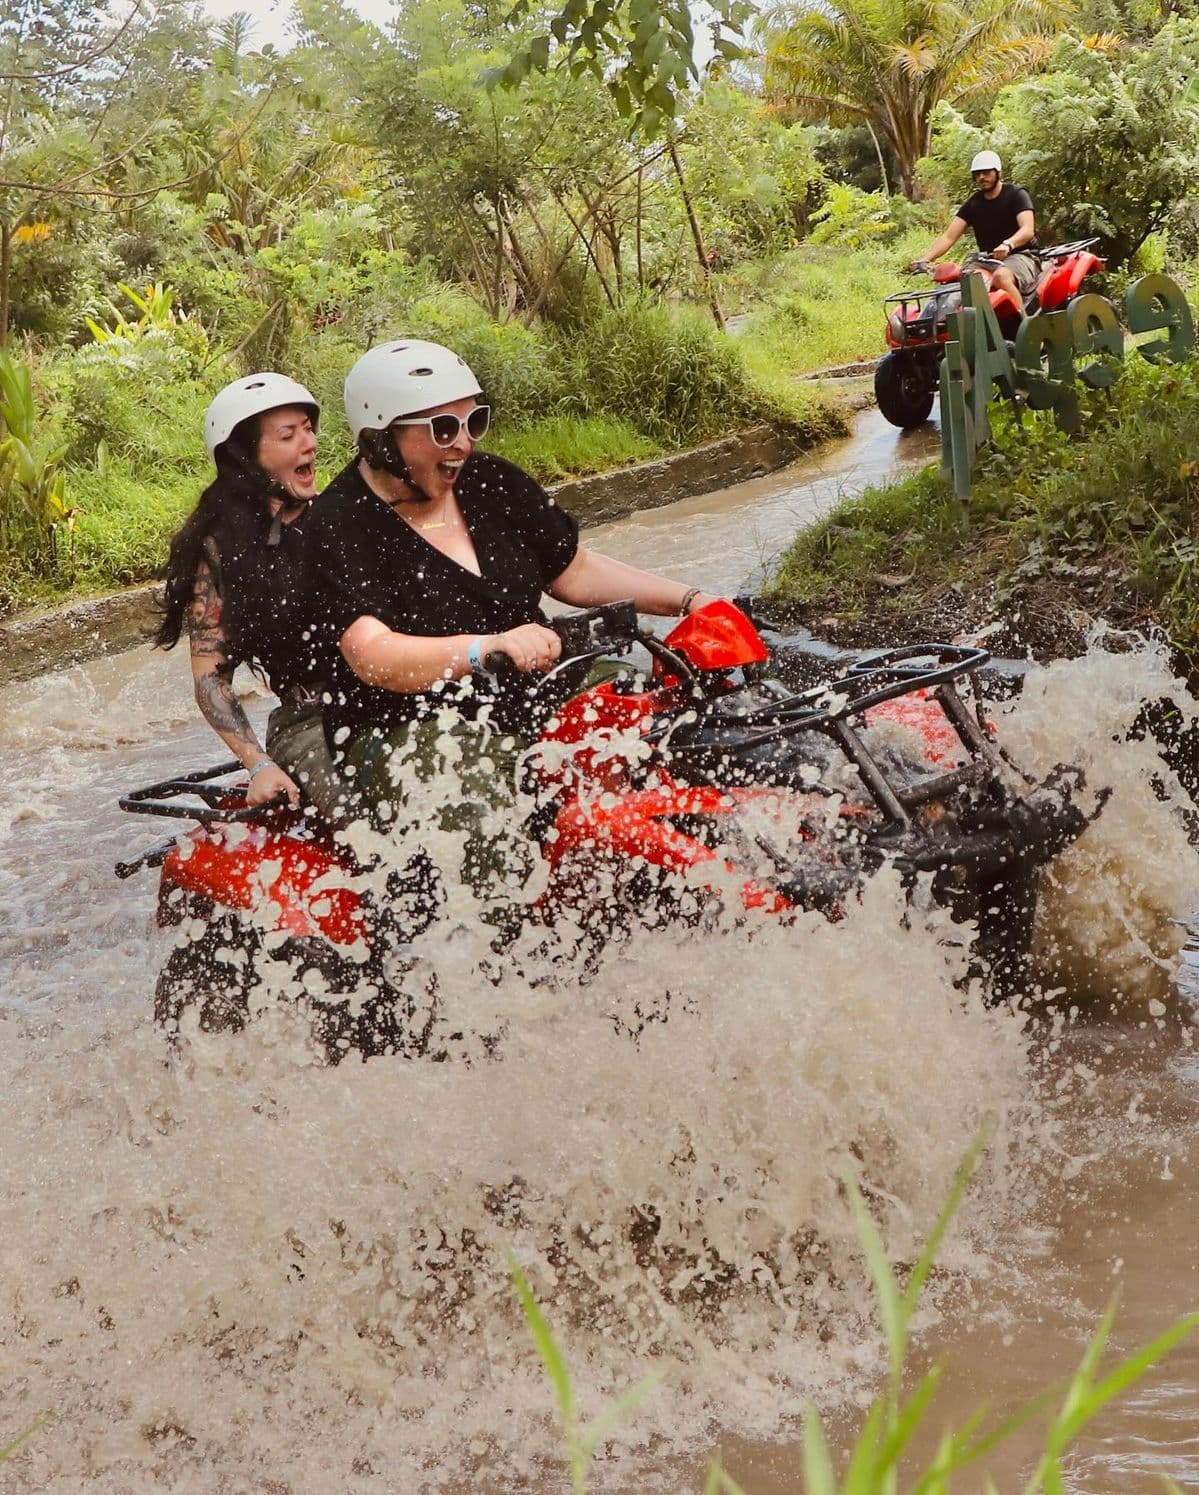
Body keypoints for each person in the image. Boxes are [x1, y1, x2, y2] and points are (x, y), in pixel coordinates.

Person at [306, 338, 721, 895]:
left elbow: (573, 571)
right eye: (442, 430)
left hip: (534, 682)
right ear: (381, 439)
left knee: (662, 727)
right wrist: (485, 648)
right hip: (409, 725)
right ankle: (499, 941)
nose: (464, 443)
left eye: (473, 421)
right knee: (484, 829)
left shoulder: (491, 481)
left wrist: (691, 601)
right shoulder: (334, 527)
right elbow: (373, 656)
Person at [156, 373, 343, 821]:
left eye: (308, 429)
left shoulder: (345, 519)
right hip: (308, 723)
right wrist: (258, 764)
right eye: (288, 435)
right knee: (368, 817)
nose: (310, 444)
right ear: (246, 457)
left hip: (386, 702)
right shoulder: (221, 552)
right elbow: (210, 677)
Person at [910, 150, 1040, 305]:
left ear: (997, 172)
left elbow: (1027, 229)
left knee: (1001, 278)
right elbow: (948, 237)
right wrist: (925, 259)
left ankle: (1021, 317)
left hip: (1021, 255)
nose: (981, 177)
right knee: (958, 282)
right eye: (977, 174)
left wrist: (1008, 244)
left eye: (986, 173)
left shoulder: (1016, 194)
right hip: (987, 259)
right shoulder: (974, 203)